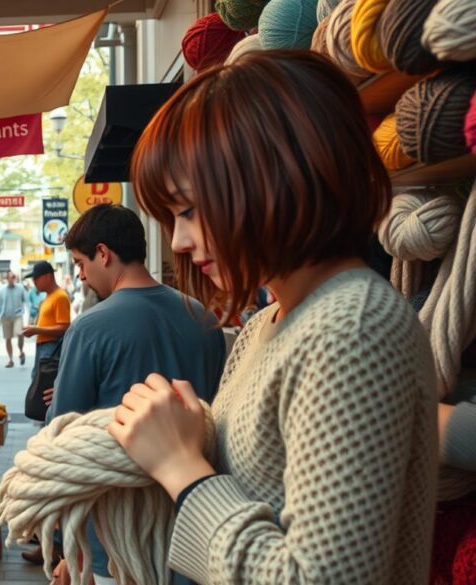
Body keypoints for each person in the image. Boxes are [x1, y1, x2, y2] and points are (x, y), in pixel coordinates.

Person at [109, 51, 437, 583]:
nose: (178, 241)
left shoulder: (352, 326)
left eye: (188, 209)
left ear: (274, 177)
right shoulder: (275, 321)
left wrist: (181, 468)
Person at [43, 204, 227, 585]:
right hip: (196, 527)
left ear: (104, 254)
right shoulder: (205, 319)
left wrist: (69, 545)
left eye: (81, 262)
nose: (81, 275)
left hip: (113, 541)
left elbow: (58, 439)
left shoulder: (90, 328)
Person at [22, 262, 70, 381]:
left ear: (48, 276)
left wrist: (36, 330)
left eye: (36, 278)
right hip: (43, 346)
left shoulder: (60, 296)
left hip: (51, 346)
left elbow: (64, 327)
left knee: (43, 382)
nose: (34, 281)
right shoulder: (49, 296)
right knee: (38, 380)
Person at [0, 271, 27, 367]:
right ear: (6, 278)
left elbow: (25, 300)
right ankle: (10, 359)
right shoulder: (1, 290)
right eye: (10, 277)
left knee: (20, 333)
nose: (12, 279)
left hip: (18, 316)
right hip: (5, 317)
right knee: (8, 338)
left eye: (13, 277)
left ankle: (21, 352)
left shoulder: (20, 288)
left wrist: (25, 311)